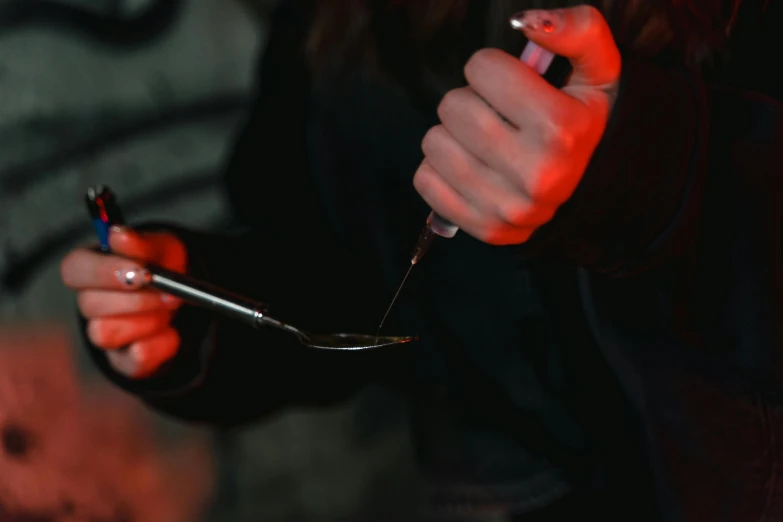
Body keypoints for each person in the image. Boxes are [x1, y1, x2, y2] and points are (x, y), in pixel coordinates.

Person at [60, 0, 783, 520]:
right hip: (487, 494)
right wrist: (190, 300)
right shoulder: (342, 19)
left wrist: (644, 171)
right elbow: (330, 273)